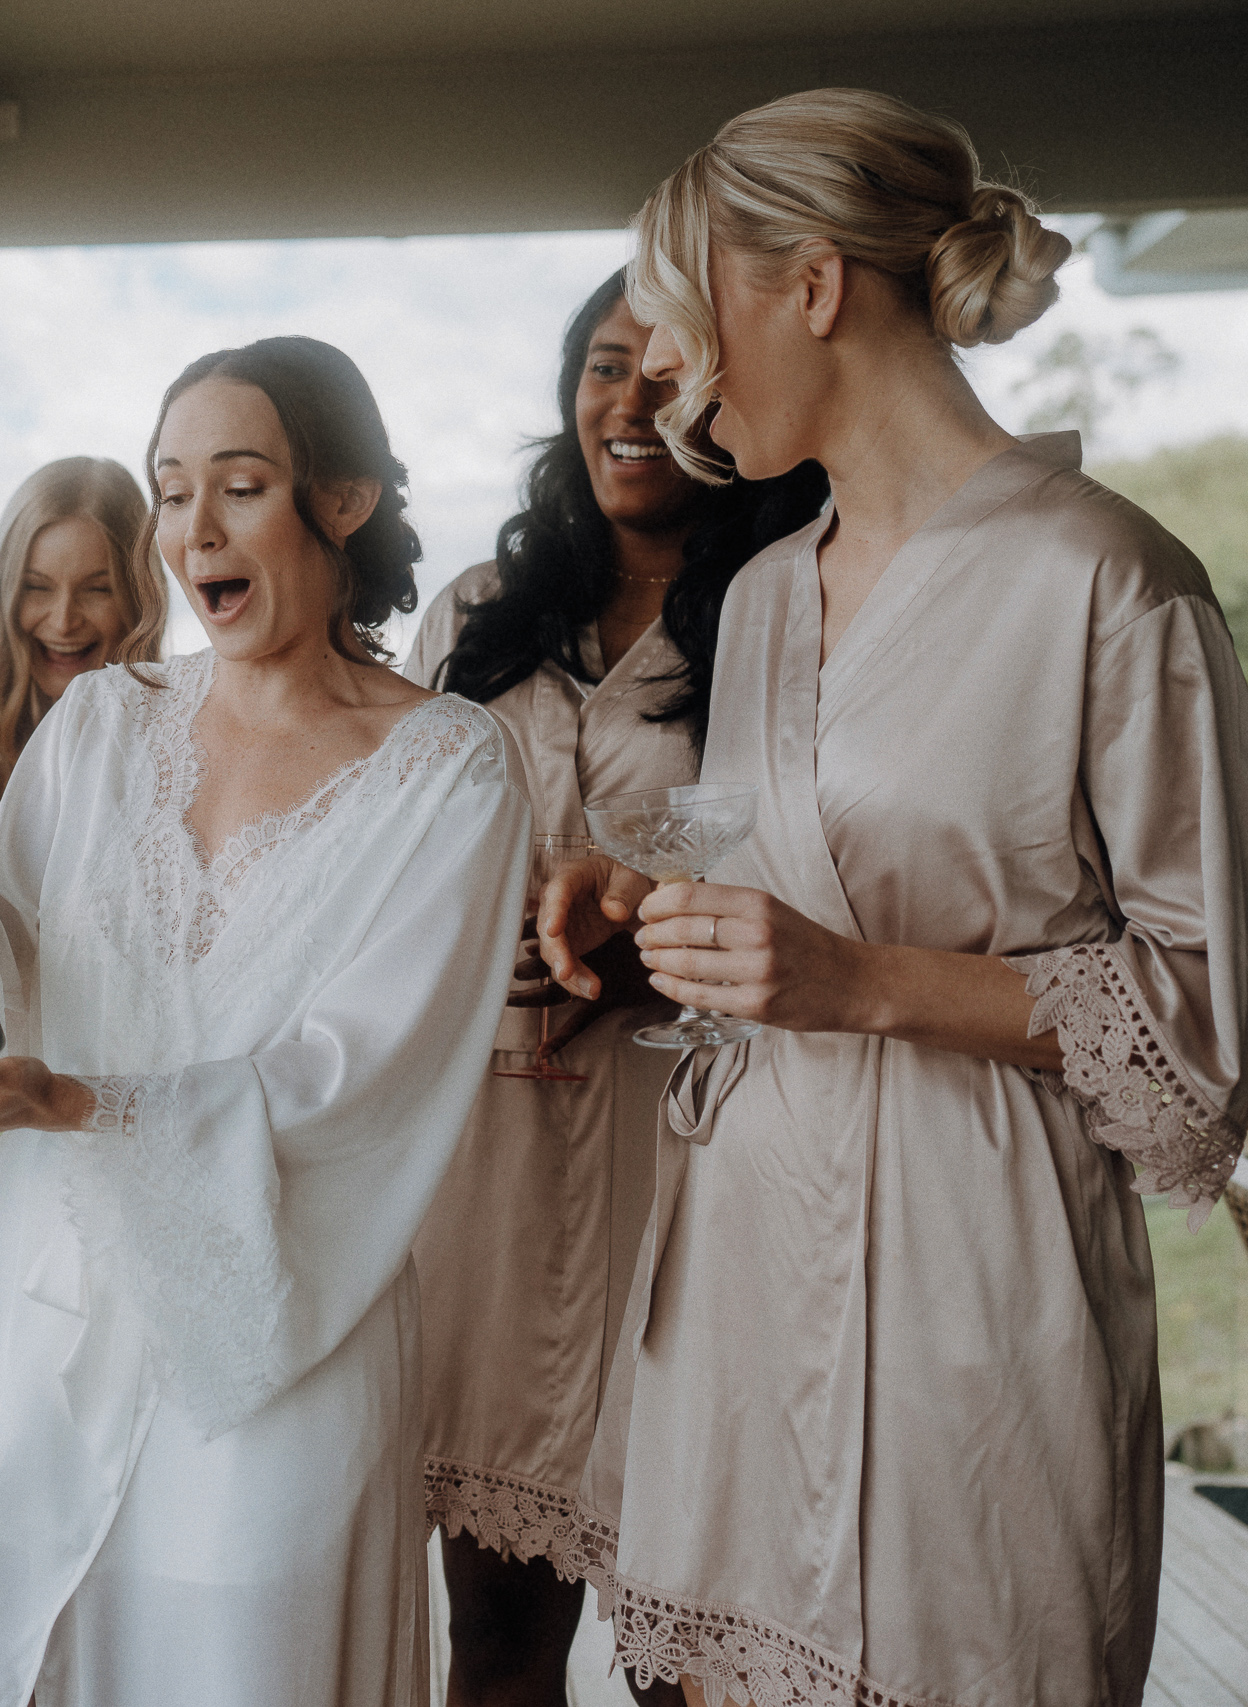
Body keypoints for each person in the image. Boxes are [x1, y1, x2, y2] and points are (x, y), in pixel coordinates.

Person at [537, 88, 1248, 1707]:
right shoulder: (771, 590)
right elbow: (789, 903)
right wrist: (651, 919)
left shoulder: (1110, 580)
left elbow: (1210, 1024)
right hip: (738, 1272)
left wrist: (863, 985)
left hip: (977, 1295)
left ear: (811, 285)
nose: (653, 364)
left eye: (678, 304)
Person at [0, 337, 530, 1706]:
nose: (194, 531)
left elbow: (365, 1067)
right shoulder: (107, 721)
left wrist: (80, 1103)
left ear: (341, 496)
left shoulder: (451, 770)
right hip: (26, 1327)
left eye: (238, 485)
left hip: (272, 1355)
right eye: (171, 491)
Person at [400, 272, 825, 1707]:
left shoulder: (790, 609)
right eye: (600, 368)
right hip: (487, 1173)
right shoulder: (478, 609)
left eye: (665, 371)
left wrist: (659, 944)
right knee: (496, 1639)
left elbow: (816, 868)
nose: (627, 404)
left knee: (687, 1645)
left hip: (690, 1161)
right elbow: (385, 849)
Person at [0, 456, 162, 789]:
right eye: (37, 587)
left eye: (97, 589)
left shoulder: (178, 754)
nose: (63, 623)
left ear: (139, 597)